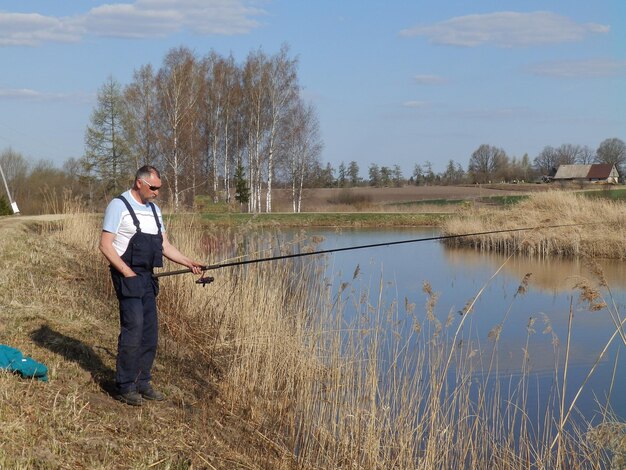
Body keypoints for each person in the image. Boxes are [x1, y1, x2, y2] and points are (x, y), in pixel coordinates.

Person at [99, 166, 202, 406]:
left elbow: (164, 245)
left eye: (159, 188)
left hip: (148, 278)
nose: (157, 192)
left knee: (149, 333)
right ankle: (124, 386)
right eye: (153, 188)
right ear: (139, 183)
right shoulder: (118, 206)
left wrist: (189, 262)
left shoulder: (155, 210)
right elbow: (105, 245)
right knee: (133, 329)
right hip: (127, 276)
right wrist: (127, 273)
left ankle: (142, 382)